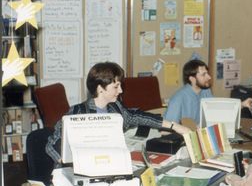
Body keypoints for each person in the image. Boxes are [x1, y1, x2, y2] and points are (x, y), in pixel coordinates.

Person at [46, 62, 190, 167]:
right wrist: (67, 163)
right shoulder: (77, 113)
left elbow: (140, 117)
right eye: (116, 86)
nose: (120, 90)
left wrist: (174, 126)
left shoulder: (116, 108)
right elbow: (51, 145)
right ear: (100, 88)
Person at [163, 59, 252, 125]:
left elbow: (216, 110)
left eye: (207, 73)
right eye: (203, 75)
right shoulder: (178, 99)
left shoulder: (206, 91)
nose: (209, 77)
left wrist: (242, 104)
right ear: (192, 79)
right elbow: (166, 130)